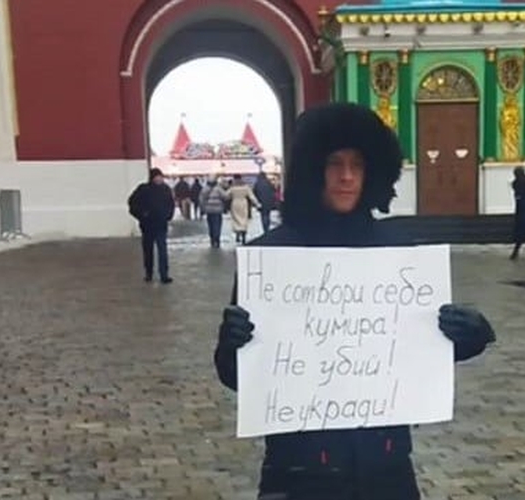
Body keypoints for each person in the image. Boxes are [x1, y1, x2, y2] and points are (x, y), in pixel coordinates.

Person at [213, 103, 497, 500]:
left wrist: (470, 335)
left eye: (358, 165)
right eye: (334, 163)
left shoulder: (399, 252)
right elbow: (234, 376)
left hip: (387, 469)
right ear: (313, 169)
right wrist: (232, 345)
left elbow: (414, 348)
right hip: (298, 474)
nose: (346, 176)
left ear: (374, 172)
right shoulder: (269, 260)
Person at [128, 168, 175, 284]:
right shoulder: (143, 189)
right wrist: (142, 215)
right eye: (157, 177)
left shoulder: (166, 189)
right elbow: (132, 203)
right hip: (147, 225)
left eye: (161, 176)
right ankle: (149, 273)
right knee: (148, 251)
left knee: (162, 250)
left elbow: (171, 204)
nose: (159, 179)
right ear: (152, 178)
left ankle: (164, 274)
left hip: (161, 225)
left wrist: (168, 216)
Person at [227, 174, 261, 244]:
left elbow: (226, 195)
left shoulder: (232, 187)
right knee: (243, 219)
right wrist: (257, 204)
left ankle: (237, 234)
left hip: (235, 203)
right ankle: (243, 235)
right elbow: (251, 197)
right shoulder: (246, 187)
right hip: (243, 203)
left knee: (236, 219)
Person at [200, 176, 228, 248]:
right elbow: (225, 197)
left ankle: (212, 239)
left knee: (211, 225)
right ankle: (217, 239)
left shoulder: (205, 189)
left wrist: (203, 209)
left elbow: (201, 200)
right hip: (218, 210)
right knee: (217, 225)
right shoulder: (219, 189)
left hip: (209, 210)